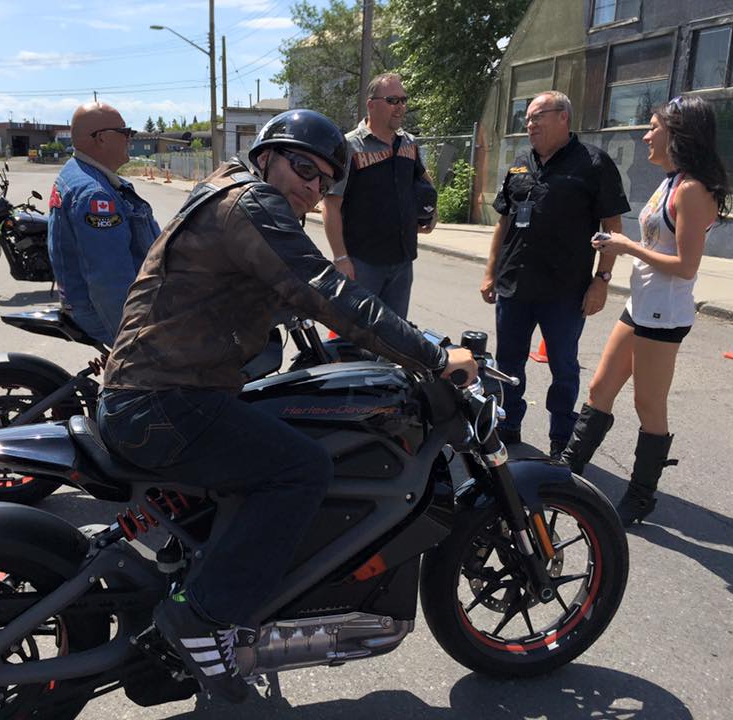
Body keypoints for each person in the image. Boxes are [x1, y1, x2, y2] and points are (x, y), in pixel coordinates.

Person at [97, 109, 477, 703]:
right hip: (163, 404)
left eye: (324, 180)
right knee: (302, 469)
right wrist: (430, 354)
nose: (313, 186)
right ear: (267, 156)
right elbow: (325, 289)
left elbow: (274, 286)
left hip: (163, 392)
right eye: (303, 168)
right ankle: (203, 616)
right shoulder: (252, 203)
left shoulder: (227, 192)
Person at [561, 95, 729, 525]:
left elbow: (686, 266)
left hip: (664, 315)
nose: (645, 135)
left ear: (677, 134)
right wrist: (621, 245)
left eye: (654, 127)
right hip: (641, 306)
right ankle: (566, 472)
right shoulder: (672, 181)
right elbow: (660, 244)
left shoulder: (691, 190)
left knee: (648, 404)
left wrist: (626, 246)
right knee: (600, 388)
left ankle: (640, 496)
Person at [480, 90, 631, 459]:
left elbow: (613, 226)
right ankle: (508, 426)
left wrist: (601, 280)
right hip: (514, 285)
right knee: (508, 364)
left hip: (565, 291)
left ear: (563, 117)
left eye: (538, 116)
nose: (529, 124)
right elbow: (504, 222)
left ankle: (561, 437)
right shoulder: (520, 164)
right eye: (527, 118)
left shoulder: (593, 163)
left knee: (563, 368)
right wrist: (490, 271)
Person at [321, 72, 437, 319]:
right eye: (393, 100)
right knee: (357, 332)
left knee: (396, 333)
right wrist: (340, 258)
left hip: (402, 261)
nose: (400, 107)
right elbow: (330, 205)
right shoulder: (350, 147)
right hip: (363, 264)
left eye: (403, 100)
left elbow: (424, 181)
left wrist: (432, 212)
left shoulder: (409, 144)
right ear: (371, 105)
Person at [47, 102, 161, 345]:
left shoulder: (80, 172)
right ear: (101, 138)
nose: (129, 138)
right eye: (124, 132)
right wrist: (133, 342)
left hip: (91, 304)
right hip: (105, 313)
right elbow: (109, 282)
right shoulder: (95, 195)